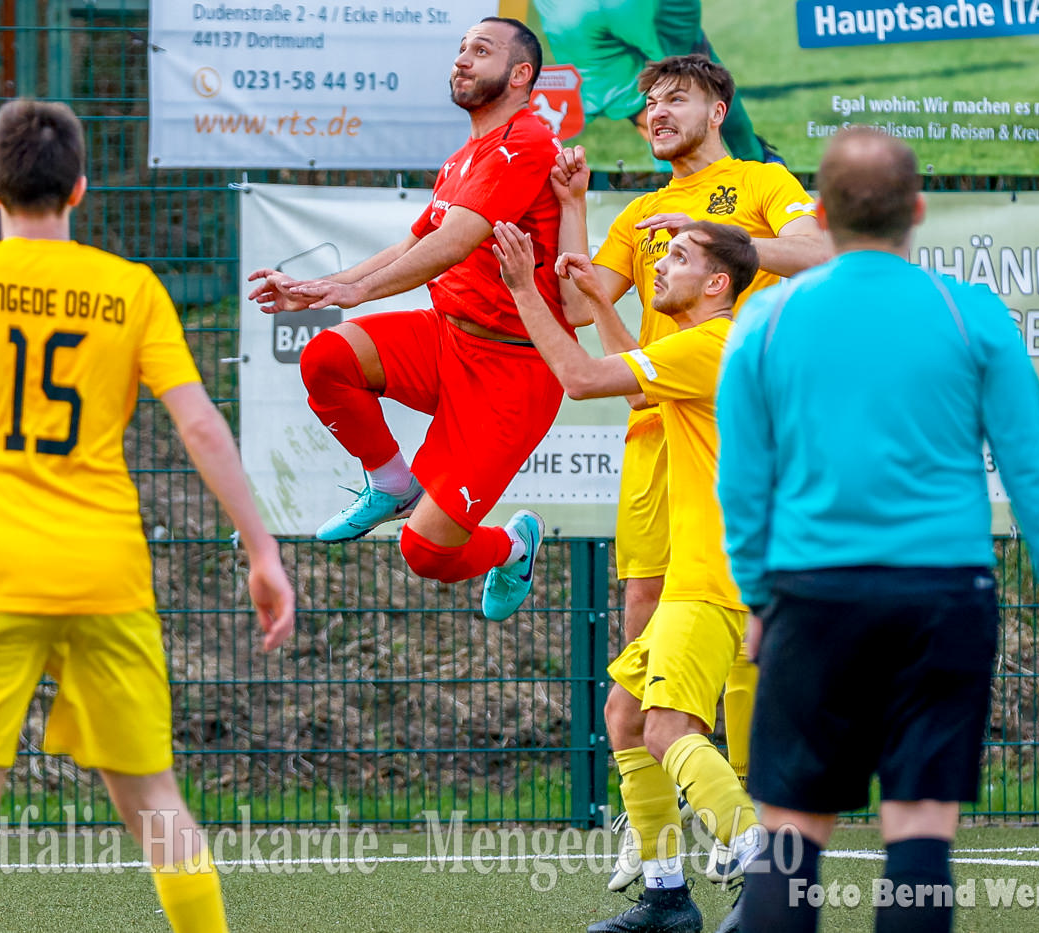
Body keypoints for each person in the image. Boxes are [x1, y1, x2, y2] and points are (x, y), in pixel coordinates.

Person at [0, 99, 296, 933]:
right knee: (155, 799)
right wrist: (262, 550)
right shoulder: (131, 289)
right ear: (79, 189)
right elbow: (199, 424)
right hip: (105, 572)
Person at [715, 126, 1039, 933]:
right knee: (921, 830)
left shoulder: (766, 322)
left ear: (821, 215)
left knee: (790, 836)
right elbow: (1031, 474)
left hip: (812, 596)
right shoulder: (971, 314)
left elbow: (743, 486)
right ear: (918, 209)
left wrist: (758, 598)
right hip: (944, 597)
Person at [549, 53, 830, 892]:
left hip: (736, 430)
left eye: (676, 98)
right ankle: (658, 829)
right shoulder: (642, 214)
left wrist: (723, 241)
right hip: (654, 435)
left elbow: (820, 250)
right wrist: (573, 209)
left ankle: (744, 807)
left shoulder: (761, 181)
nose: (658, 113)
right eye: (649, 104)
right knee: (645, 619)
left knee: (740, 627)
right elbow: (581, 303)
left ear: (717, 110)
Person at [248, 17, 578, 622]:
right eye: (461, 49)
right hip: (447, 339)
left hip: (513, 371)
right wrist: (323, 288)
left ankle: (513, 547)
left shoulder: (528, 141)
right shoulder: (461, 159)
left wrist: (356, 292)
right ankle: (391, 483)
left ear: (520, 74)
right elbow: (414, 244)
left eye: (481, 51)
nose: (462, 60)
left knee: (425, 553)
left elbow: (454, 242)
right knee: (327, 357)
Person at [495, 219, 761, 933]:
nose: (660, 265)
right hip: (703, 573)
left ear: (717, 283)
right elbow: (641, 390)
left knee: (667, 726)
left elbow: (582, 380)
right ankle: (667, 897)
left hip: (714, 575)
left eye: (679, 255)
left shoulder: (709, 344)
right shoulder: (704, 347)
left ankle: (764, 864)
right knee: (625, 714)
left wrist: (524, 288)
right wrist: (599, 302)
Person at [531, 0, 780, 163]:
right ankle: (755, 162)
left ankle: (756, 163)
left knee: (669, 119)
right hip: (605, 40)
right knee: (674, 117)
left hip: (585, 34)